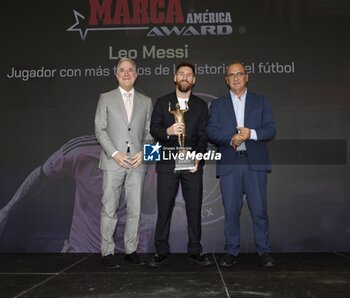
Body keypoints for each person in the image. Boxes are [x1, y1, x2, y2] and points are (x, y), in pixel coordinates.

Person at [0, 135, 157, 253]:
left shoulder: (151, 153)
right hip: (80, 254)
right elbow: (41, 175)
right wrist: (7, 210)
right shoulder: (81, 150)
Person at [206, 61, 277, 267]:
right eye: (231, 75)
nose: (236, 77)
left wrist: (251, 134)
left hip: (254, 163)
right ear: (227, 80)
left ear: (247, 77)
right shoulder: (218, 105)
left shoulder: (260, 101)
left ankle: (264, 251)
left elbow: (271, 129)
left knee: (259, 210)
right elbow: (211, 131)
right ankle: (231, 251)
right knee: (231, 210)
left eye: (239, 74)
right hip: (230, 163)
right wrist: (231, 138)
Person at [148, 61, 212, 267]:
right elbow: (153, 128)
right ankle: (161, 251)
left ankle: (195, 250)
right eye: (181, 74)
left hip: (192, 164)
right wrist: (168, 131)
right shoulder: (162, 102)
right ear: (175, 78)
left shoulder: (201, 106)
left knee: (194, 208)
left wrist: (198, 157)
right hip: (167, 162)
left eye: (189, 75)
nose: (184, 77)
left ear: (194, 80)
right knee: (164, 208)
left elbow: (204, 137)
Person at [95, 58, 153, 268]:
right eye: (122, 70)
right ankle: (107, 252)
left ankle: (131, 250)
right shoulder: (105, 98)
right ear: (116, 74)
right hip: (113, 162)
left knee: (135, 209)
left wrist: (144, 154)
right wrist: (115, 153)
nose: (126, 73)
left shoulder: (146, 101)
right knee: (109, 208)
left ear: (136, 74)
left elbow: (149, 133)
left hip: (137, 163)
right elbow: (99, 130)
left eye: (130, 70)